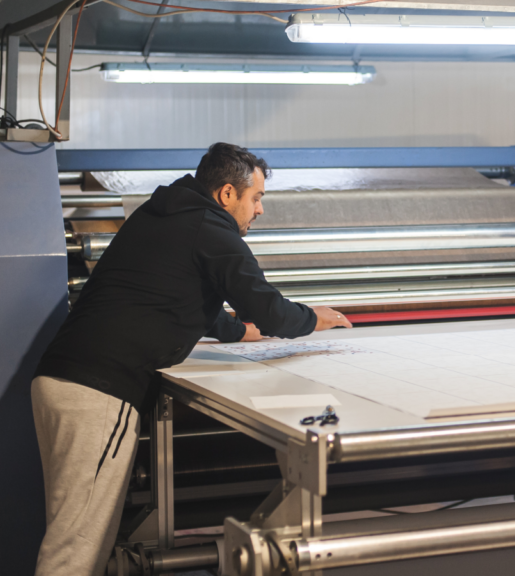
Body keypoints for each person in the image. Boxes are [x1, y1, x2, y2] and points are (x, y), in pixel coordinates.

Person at [30, 143, 352, 575]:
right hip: (99, 391)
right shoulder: (213, 230)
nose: (259, 210)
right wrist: (315, 318)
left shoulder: (163, 213)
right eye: (256, 198)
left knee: (81, 534)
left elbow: (177, 291)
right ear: (227, 194)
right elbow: (269, 309)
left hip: (62, 381)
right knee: (77, 545)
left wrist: (237, 331)